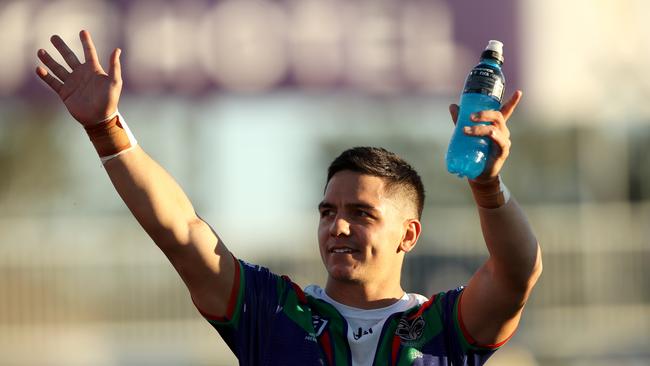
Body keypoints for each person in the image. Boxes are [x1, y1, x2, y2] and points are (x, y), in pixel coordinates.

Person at [36, 30, 542, 366]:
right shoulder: (273, 313)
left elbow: (516, 273)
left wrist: (486, 184)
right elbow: (183, 233)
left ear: (408, 234)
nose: (337, 227)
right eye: (328, 211)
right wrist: (107, 130)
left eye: (361, 213)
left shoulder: (441, 327)